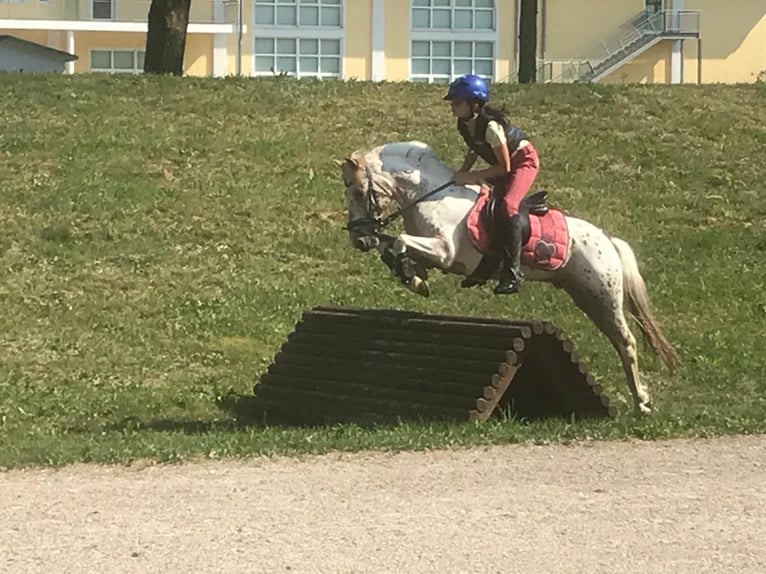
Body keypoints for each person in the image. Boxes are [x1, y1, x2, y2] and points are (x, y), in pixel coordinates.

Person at [443, 73, 539, 295]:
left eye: (457, 103)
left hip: (522, 162)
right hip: (501, 163)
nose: (452, 107)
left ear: (474, 104)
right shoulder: (464, 123)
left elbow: (505, 168)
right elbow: (474, 148)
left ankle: (514, 272)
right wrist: (462, 173)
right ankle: (488, 264)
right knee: (486, 206)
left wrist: (470, 176)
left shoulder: (492, 127)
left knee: (507, 206)